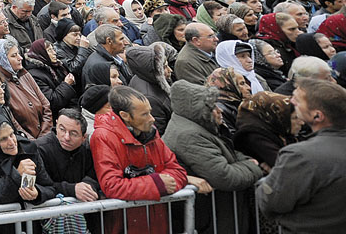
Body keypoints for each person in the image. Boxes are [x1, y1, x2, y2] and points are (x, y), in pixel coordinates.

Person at [162, 80, 263, 232]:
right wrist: (253, 166)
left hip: (218, 214)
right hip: (213, 219)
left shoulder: (196, 124)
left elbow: (230, 153)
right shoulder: (189, 135)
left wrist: (243, 162)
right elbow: (226, 176)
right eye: (213, 106)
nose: (219, 110)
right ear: (198, 109)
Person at [90, 86, 188, 234]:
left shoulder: (150, 132)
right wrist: (157, 184)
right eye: (145, 114)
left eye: (150, 112)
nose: (152, 118)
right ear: (125, 115)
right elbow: (111, 185)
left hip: (157, 220)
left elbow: (178, 171)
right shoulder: (103, 136)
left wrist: (164, 182)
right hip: (124, 223)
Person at [256, 78, 346, 234]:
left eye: (297, 100)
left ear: (317, 116)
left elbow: (272, 202)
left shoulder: (301, 156)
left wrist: (266, 183)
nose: (292, 102)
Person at [35, 109, 100, 202]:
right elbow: (43, 185)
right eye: (62, 130)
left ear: (84, 137)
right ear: (56, 125)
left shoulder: (88, 149)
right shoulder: (40, 149)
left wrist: (87, 186)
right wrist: (72, 189)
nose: (66, 137)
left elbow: (94, 176)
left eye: (73, 134)